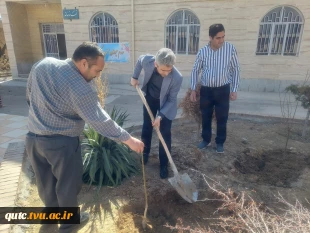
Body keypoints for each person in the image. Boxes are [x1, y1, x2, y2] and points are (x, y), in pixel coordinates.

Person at [25, 42, 144, 233]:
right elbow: (100, 121)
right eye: (97, 70)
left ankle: (48, 226)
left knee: (46, 187)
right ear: (83, 63)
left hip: (33, 140)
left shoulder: (43, 65)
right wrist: (129, 140)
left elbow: (29, 96)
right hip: (61, 144)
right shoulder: (80, 88)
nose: (98, 76)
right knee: (67, 188)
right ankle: (69, 226)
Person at [130, 48, 183, 179]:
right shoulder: (148, 61)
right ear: (156, 64)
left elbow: (171, 100)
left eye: (169, 70)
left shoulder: (177, 77)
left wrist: (160, 116)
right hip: (151, 98)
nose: (166, 73)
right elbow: (139, 60)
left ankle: (164, 165)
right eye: (162, 70)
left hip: (166, 104)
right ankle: (144, 154)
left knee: (164, 133)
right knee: (147, 128)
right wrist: (134, 77)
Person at [190, 24, 240, 153]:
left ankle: (220, 142)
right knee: (205, 116)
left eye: (223, 37)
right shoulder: (203, 51)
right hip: (206, 90)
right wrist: (193, 89)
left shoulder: (230, 49)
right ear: (211, 37)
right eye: (218, 38)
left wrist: (234, 88)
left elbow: (235, 70)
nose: (221, 40)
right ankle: (206, 140)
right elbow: (196, 70)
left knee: (222, 117)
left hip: (223, 90)